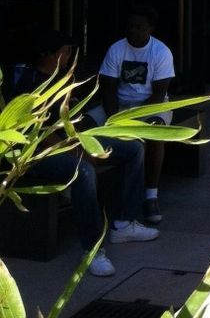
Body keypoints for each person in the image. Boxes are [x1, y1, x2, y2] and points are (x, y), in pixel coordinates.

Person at [15, 28, 158, 276]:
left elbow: (71, 119)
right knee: (84, 172)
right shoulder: (30, 85)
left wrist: (91, 137)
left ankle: (125, 222)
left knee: (133, 147)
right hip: (37, 154)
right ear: (54, 54)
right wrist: (80, 150)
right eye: (67, 52)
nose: (70, 56)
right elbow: (38, 135)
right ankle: (92, 248)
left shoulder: (63, 78)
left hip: (71, 141)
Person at [98, 7, 175, 226]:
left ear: (150, 28)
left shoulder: (161, 52)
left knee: (156, 132)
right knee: (85, 124)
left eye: (139, 27)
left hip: (150, 106)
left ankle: (151, 196)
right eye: (130, 26)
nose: (133, 31)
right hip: (120, 105)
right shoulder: (116, 49)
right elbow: (108, 89)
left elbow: (159, 94)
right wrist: (115, 121)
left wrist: (135, 123)